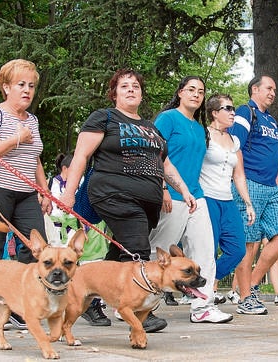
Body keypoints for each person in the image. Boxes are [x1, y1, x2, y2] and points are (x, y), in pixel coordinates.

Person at [59, 69, 192, 333]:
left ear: (141, 94)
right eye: (124, 86)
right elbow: (81, 155)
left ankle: (93, 295)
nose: (131, 89)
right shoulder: (104, 118)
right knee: (137, 247)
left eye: (135, 86)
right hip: (112, 192)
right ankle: (138, 310)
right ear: (115, 93)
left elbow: (165, 164)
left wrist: (185, 191)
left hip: (147, 200)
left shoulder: (151, 128)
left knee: (120, 251)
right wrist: (69, 192)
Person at [0, 58, 51, 331]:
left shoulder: (33, 120)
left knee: (35, 246)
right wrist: (17, 138)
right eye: (20, 84)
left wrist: (45, 192)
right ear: (6, 87)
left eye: (31, 85)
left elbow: (35, 158)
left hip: (27, 191)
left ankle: (21, 306)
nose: (27, 90)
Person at [148, 77, 233, 324]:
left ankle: (202, 307)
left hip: (197, 195)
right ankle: (138, 301)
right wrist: (163, 187)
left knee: (205, 250)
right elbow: (155, 154)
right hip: (171, 195)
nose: (196, 95)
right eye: (191, 90)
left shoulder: (199, 128)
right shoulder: (168, 118)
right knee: (159, 250)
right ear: (180, 93)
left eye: (201, 92)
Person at [227, 75, 278, 315]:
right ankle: (245, 298)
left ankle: (252, 284)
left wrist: (277, 188)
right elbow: (236, 147)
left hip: (271, 188)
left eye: (275, 89)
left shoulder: (272, 122)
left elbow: (276, 159)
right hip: (250, 184)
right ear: (254, 89)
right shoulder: (246, 112)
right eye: (269, 88)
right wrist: (242, 182)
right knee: (249, 243)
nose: (273, 93)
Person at [200, 94, 255, 306]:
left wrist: (248, 203)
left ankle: (205, 281)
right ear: (215, 113)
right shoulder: (203, 135)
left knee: (237, 249)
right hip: (206, 198)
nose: (233, 113)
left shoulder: (234, 141)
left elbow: (238, 175)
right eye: (228, 109)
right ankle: (203, 296)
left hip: (228, 200)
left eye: (233, 109)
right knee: (208, 249)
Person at [49, 152, 111, 326]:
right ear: (66, 169)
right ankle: (58, 312)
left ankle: (92, 305)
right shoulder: (54, 187)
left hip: (92, 239)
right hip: (66, 239)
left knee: (93, 273)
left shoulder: (85, 184)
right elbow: (55, 215)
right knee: (63, 276)